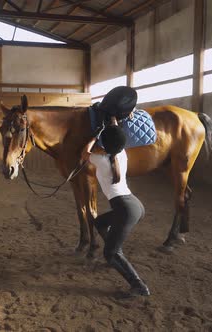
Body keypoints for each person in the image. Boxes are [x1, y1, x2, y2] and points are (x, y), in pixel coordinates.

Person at [81, 116, 150, 297]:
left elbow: (84, 153)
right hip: (134, 205)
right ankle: (114, 255)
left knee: (109, 253)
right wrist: (113, 124)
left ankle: (139, 286)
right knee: (100, 223)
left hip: (125, 209)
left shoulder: (100, 159)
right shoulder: (122, 154)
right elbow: (116, 139)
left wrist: (93, 137)